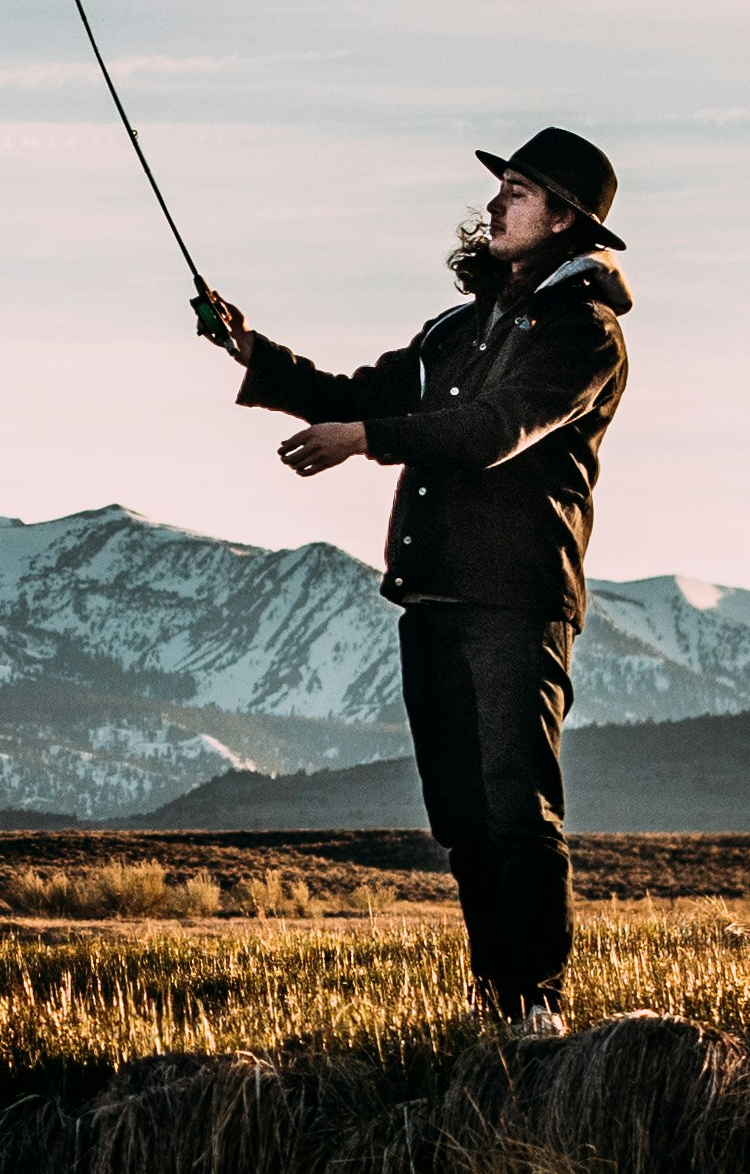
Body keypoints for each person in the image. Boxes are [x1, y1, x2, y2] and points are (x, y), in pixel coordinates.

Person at [194, 130, 634, 1043]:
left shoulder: (584, 333)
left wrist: (365, 439)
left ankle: (540, 1007)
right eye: (500, 188)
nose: (495, 204)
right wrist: (250, 351)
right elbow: (360, 390)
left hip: (518, 598)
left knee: (519, 805)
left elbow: (493, 429)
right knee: (463, 818)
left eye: (517, 191)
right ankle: (498, 1004)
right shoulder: (454, 329)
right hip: (433, 594)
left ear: (564, 220)